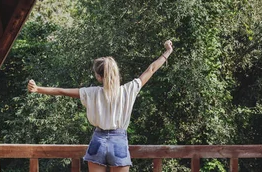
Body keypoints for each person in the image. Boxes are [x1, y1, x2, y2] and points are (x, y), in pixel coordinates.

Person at [27, 40, 173, 172]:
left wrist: (38, 89)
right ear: (116, 73)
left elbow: (61, 91)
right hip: (119, 141)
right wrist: (168, 51)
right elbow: (151, 69)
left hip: (98, 141)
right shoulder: (128, 90)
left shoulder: (91, 93)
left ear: (98, 76)